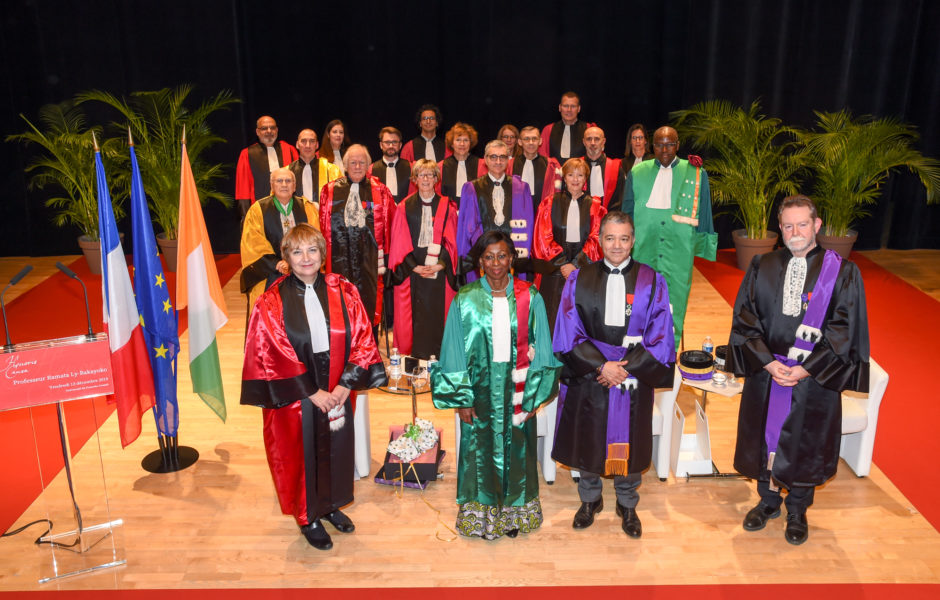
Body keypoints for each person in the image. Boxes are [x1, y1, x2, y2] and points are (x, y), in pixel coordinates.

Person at [729, 195, 870, 546]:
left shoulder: (843, 272)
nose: (795, 231)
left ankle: (797, 509)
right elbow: (746, 320)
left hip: (814, 380)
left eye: (802, 224)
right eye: (788, 225)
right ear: (780, 227)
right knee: (766, 437)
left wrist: (806, 369)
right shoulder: (763, 264)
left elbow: (844, 330)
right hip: (768, 372)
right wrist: (768, 361)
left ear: (817, 225)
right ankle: (768, 501)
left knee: (805, 443)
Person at [240, 223, 387, 550]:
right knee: (301, 453)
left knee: (336, 448)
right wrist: (313, 392)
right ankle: (307, 516)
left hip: (338, 387)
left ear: (322, 254)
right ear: (286, 257)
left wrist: (346, 385)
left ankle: (331, 505)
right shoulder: (272, 301)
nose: (305, 258)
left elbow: (363, 338)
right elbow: (273, 350)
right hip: (297, 396)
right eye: (297, 251)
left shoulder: (343, 290)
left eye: (312, 250)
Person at [551, 211, 675, 539]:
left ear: (633, 240)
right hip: (592, 373)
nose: (617, 245)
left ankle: (627, 502)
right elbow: (567, 330)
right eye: (609, 238)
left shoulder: (652, 280)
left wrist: (625, 368)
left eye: (623, 238)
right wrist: (599, 366)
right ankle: (590, 499)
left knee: (631, 439)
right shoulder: (579, 279)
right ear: (600, 240)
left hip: (632, 376)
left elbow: (661, 334)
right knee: (588, 435)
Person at [431, 230, 561, 540]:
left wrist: (534, 398)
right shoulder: (465, 299)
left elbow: (543, 349)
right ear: (479, 262)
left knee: (518, 450)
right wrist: (461, 398)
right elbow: (453, 352)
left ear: (512, 258)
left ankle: (516, 513)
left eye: (502, 255)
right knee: (479, 451)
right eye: (488, 257)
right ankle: (482, 517)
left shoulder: (531, 296)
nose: (496, 263)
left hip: (517, 391)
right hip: (480, 390)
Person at [621, 125, 717, 348]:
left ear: (678, 145)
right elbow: (626, 211)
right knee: (641, 297)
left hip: (679, 250)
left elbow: (704, 211)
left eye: (670, 144)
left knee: (675, 298)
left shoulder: (695, 172)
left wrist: (703, 247)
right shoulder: (637, 172)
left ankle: (668, 350)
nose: (665, 149)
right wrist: (623, 242)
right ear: (651, 146)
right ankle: (639, 346)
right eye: (659, 144)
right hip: (643, 247)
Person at [318, 144, 395, 338]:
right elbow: (322, 226)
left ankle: (370, 346)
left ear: (369, 165)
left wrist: (388, 260)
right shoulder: (330, 191)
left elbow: (391, 227)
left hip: (370, 262)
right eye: (353, 162)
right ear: (345, 165)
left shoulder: (381, 191)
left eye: (362, 162)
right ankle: (342, 344)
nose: (358, 166)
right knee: (340, 303)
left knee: (369, 302)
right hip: (338, 259)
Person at [388, 159, 458, 359]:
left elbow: (452, 240)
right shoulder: (404, 207)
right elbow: (399, 241)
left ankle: (440, 358)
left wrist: (440, 264)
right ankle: (414, 359)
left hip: (439, 274)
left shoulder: (448, 207)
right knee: (413, 318)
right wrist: (414, 267)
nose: (426, 179)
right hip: (413, 274)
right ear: (414, 179)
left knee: (439, 315)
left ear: (436, 179)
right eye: (421, 175)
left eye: (430, 174)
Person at [532, 157, 605, 327]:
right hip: (555, 270)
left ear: (585, 179)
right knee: (552, 316)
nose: (575, 179)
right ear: (564, 178)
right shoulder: (549, 203)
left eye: (580, 175)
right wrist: (564, 264)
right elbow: (543, 237)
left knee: (580, 317)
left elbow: (597, 238)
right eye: (571, 175)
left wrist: (576, 265)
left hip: (584, 270)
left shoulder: (595, 206)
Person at [241, 167, 320, 310]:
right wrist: (277, 263)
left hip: (303, 269)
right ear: (272, 185)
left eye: (288, 181)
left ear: (295, 186)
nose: (284, 184)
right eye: (279, 181)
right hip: (271, 272)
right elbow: (253, 243)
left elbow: (316, 239)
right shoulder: (258, 209)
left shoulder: (307, 208)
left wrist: (296, 261)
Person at [456, 140, 535, 282]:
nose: (498, 161)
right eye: (493, 157)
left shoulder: (521, 189)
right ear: (485, 159)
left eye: (502, 157)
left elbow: (527, 228)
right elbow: (466, 229)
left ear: (508, 160)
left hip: (512, 257)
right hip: (482, 256)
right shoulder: (471, 188)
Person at [235, 115, 299, 217]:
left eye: (272, 128)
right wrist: (246, 217)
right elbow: (243, 190)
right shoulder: (247, 154)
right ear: (257, 132)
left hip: (289, 210)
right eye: (264, 128)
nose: (269, 131)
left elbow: (297, 184)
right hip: (260, 212)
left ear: (277, 130)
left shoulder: (290, 150)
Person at [509, 126, 559, 216]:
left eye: (534, 139)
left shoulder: (551, 165)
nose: (531, 143)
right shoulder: (509, 165)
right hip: (515, 215)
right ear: (520, 142)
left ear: (540, 141)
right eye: (526, 139)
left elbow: (557, 193)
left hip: (542, 214)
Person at [437, 122, 486, 207]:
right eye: (458, 140)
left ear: (470, 143)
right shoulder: (441, 166)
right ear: (452, 143)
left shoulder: (481, 165)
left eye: (466, 140)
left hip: (475, 213)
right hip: (449, 213)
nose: (462, 144)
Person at [289, 129, 342, 206]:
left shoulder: (333, 171)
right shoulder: (287, 171)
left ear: (317, 145)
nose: (308, 145)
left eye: (312, 141)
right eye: (303, 141)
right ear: (297, 144)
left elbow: (340, 199)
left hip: (324, 216)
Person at [539, 91, 592, 162]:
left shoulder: (589, 129)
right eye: (565, 106)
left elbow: (594, 155)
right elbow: (542, 158)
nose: (569, 110)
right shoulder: (548, 130)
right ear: (560, 108)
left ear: (578, 109)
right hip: (554, 172)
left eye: (573, 106)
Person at [583, 126, 625, 212]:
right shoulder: (575, 167)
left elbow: (620, 201)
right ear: (584, 142)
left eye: (597, 139)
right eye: (589, 139)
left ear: (603, 141)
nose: (593, 143)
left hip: (609, 219)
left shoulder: (616, 168)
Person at [369, 126, 413, 204]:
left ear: (400, 145)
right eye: (387, 142)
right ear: (381, 145)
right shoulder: (371, 169)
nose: (391, 146)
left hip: (405, 214)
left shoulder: (411, 167)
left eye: (394, 142)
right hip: (381, 215)